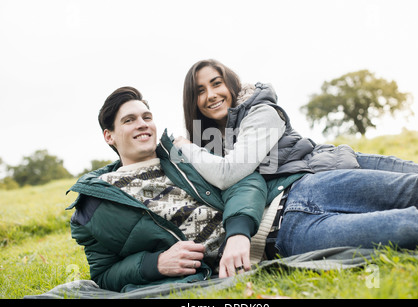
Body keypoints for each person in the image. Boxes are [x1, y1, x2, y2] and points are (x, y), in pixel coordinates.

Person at [175, 58, 418, 259]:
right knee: (411, 209)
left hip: (332, 165)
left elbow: (229, 174)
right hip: (303, 194)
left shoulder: (260, 111)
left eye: (216, 83)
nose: (211, 95)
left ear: (230, 83)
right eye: (200, 91)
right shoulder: (212, 144)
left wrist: (184, 145)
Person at [69, 86, 276, 292]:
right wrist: (155, 264)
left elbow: (243, 180)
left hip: (271, 223)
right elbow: (104, 274)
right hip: (232, 266)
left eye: (147, 117)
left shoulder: (181, 155)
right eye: (129, 120)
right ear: (109, 136)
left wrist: (239, 232)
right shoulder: (97, 202)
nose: (142, 125)